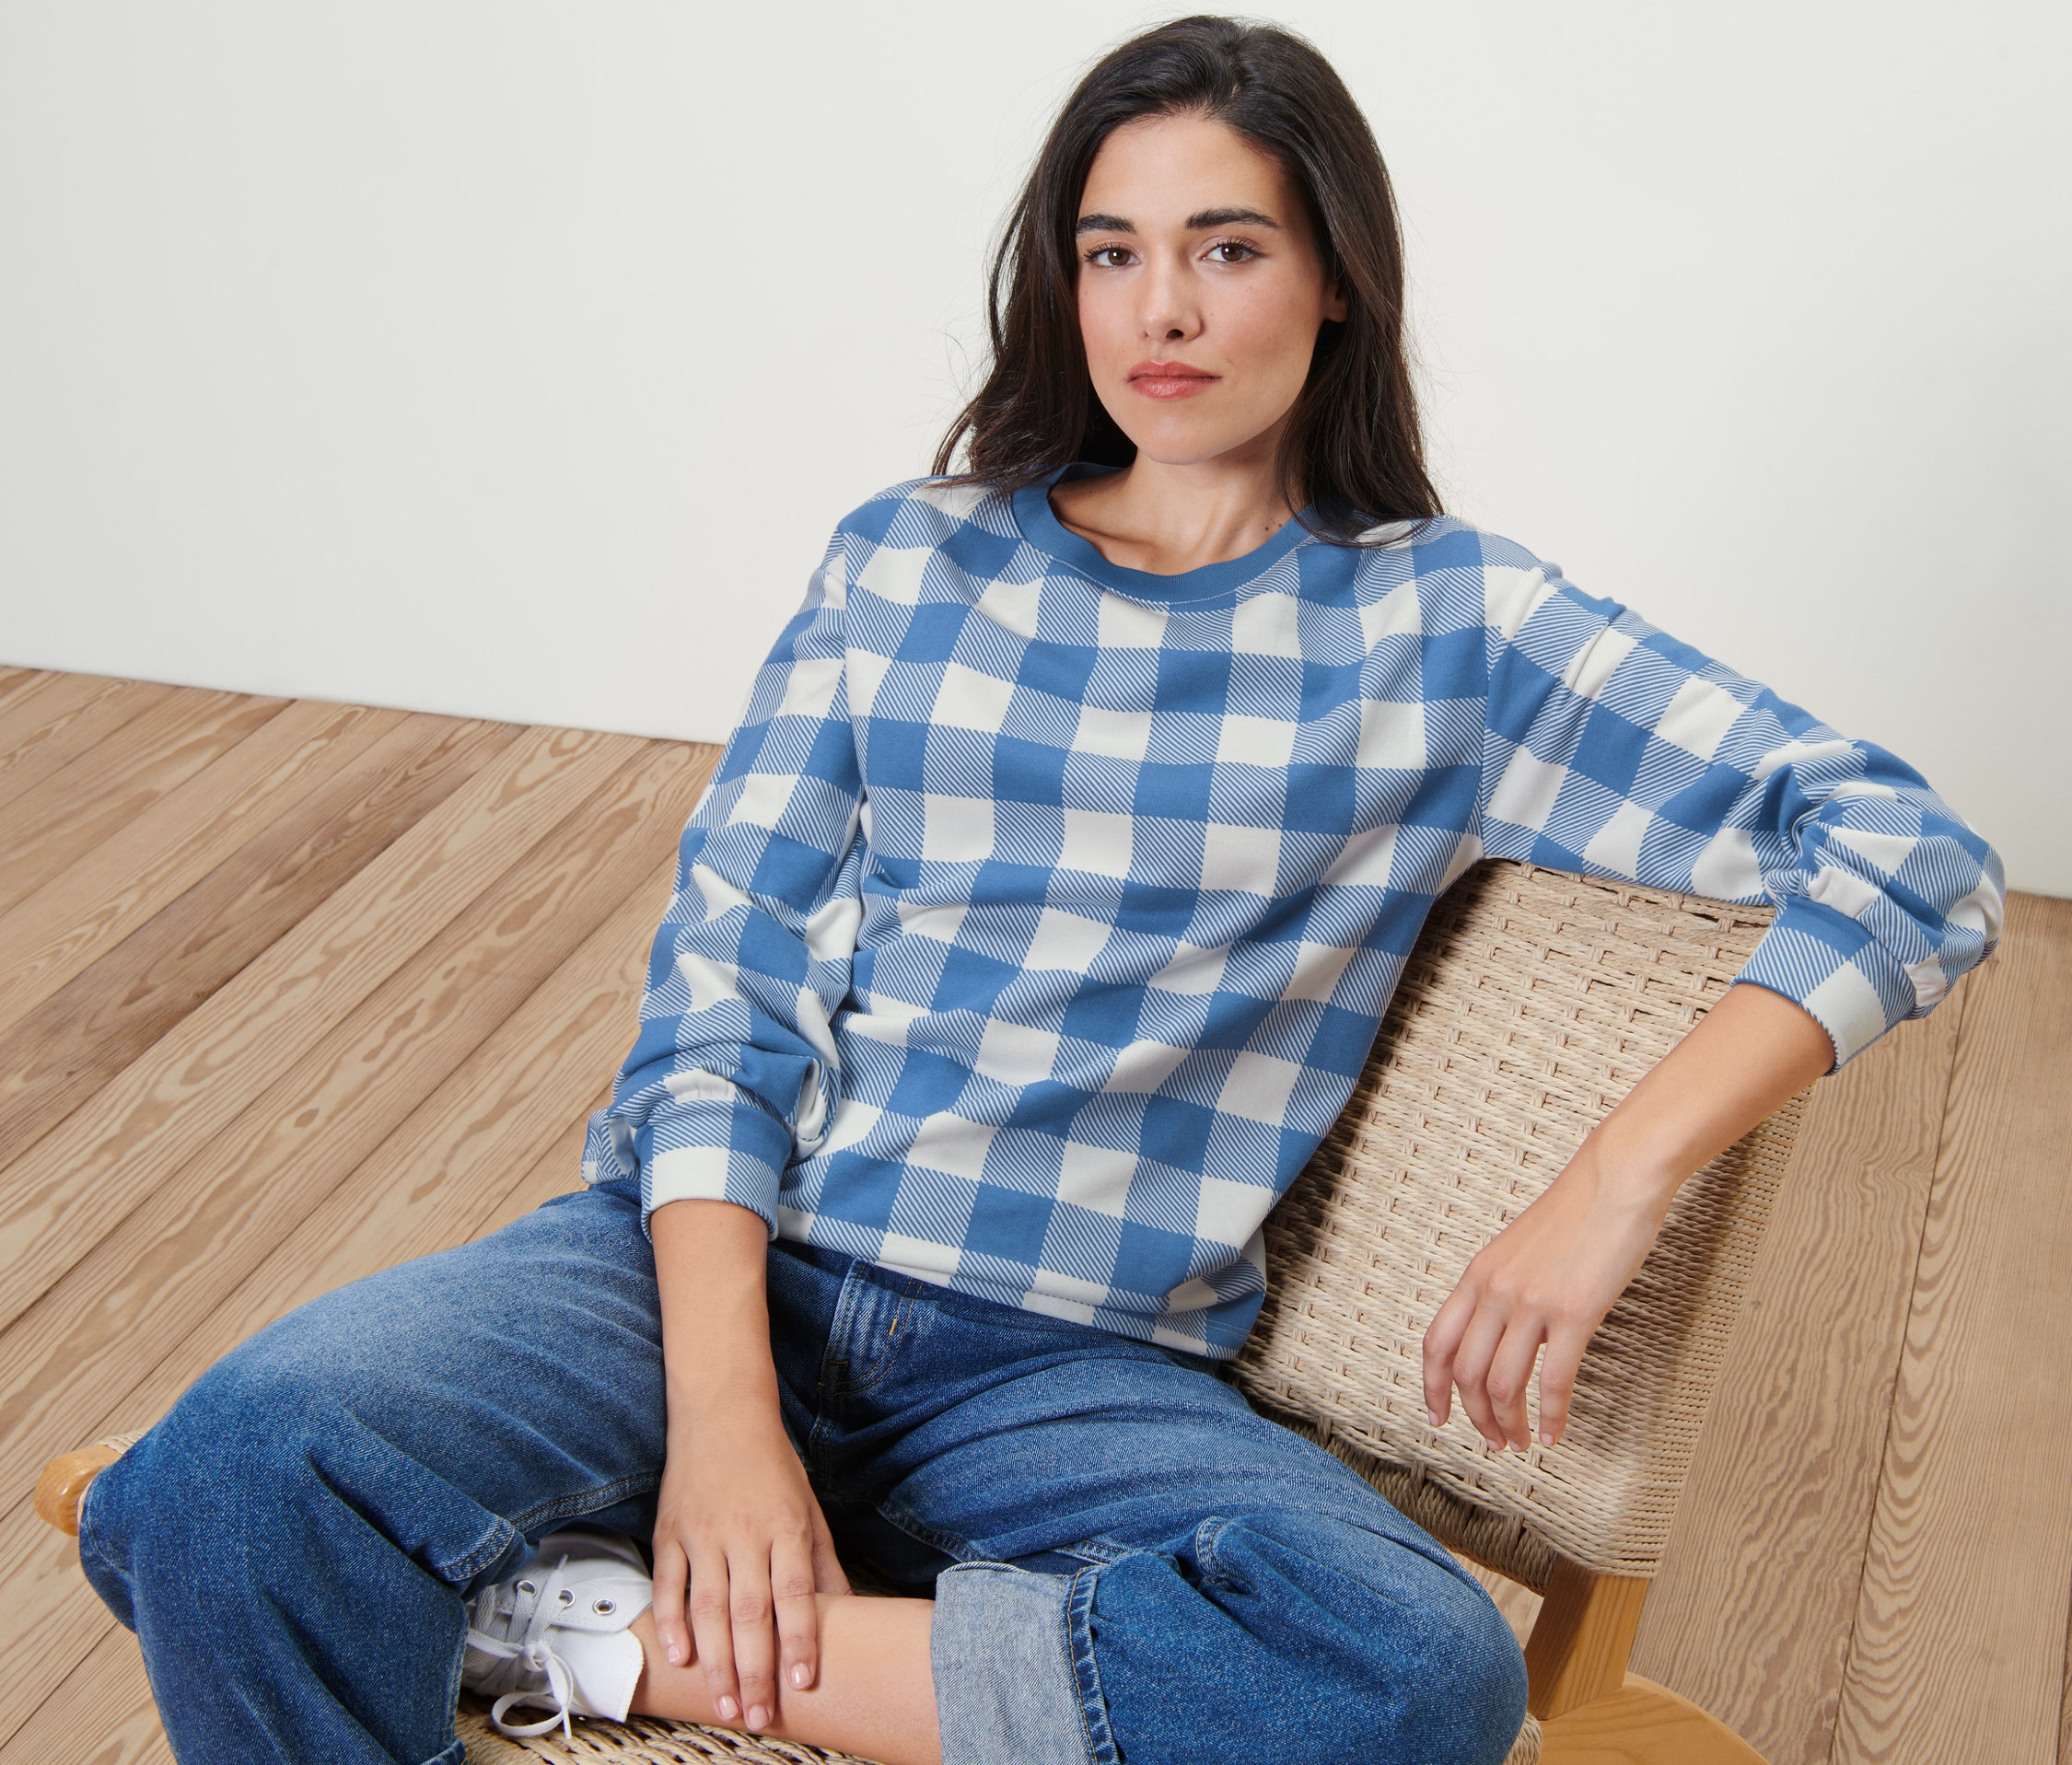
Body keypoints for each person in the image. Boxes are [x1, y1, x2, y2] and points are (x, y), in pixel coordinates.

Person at [75, 17, 2002, 1765]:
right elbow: (722, 999)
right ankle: (641, 1583)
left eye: (1228, 246)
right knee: (237, 1464)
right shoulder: (905, 562)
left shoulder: (1451, 623)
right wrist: (730, 1414)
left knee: (1415, 1667)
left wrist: (1613, 1175)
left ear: (1335, 280)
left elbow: (1906, 851)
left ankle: (593, 1633)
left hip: (1071, 1368)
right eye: (1112, 249)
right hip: (723, 1272)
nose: (1162, 304)